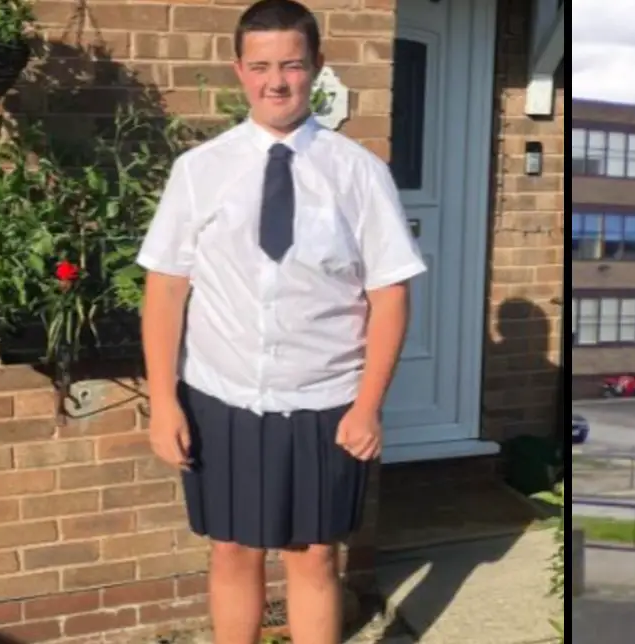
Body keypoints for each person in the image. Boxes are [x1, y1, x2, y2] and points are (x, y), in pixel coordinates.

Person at [135, 0, 426, 642]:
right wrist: (163, 403)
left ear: (317, 67)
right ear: (239, 71)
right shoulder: (198, 172)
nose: (276, 81)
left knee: (314, 555)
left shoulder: (360, 174)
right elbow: (165, 290)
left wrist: (367, 406)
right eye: (261, 66)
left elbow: (390, 295)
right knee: (232, 550)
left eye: (292, 65)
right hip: (221, 395)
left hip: (325, 402)